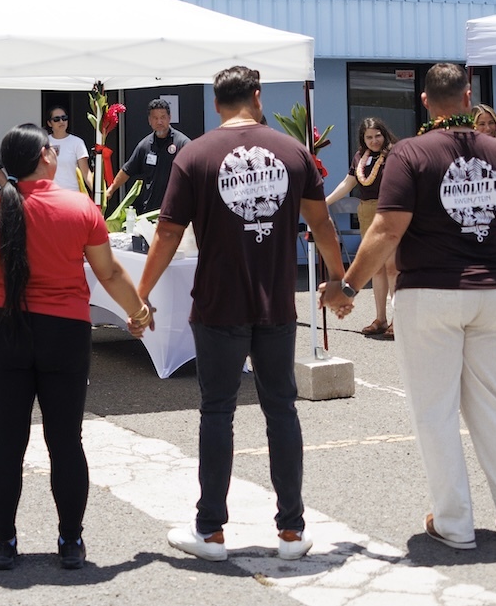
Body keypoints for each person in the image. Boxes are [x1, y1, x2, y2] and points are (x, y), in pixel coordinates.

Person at [138, 66, 353, 563]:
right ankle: (292, 532)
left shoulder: (194, 155)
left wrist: (140, 296)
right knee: (281, 410)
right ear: (257, 97)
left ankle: (210, 532)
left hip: (218, 304)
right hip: (275, 302)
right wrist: (338, 280)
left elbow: (167, 233)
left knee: (217, 411)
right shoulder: (293, 152)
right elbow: (321, 224)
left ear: (216, 104)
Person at [340, 63, 496, 551]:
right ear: (467, 98)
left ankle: (455, 522)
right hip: (495, 291)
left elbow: (387, 230)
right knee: (490, 403)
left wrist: (348, 287)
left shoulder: (410, 152)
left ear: (424, 102)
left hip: (431, 293)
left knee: (435, 410)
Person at [0, 123, 150, 571]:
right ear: (44, 157)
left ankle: (3, 540)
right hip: (65, 331)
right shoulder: (80, 207)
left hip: (4, 329)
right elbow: (110, 273)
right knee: (66, 440)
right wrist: (138, 312)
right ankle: (71, 540)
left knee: (7, 441)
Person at [325, 119, 397, 337]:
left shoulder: (394, 154)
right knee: (376, 268)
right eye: (369, 137)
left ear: (384, 134)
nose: (374, 141)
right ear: (362, 139)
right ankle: (380, 319)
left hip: (389, 211)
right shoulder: (359, 157)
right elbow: (348, 183)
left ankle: (398, 319)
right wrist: (324, 202)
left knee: (392, 267)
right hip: (366, 212)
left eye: (377, 135)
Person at [112, 98, 192, 214]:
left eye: (163, 117)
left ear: (169, 118)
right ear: (149, 120)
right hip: (150, 211)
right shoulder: (145, 145)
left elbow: (195, 170)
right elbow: (127, 170)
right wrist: (111, 190)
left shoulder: (182, 143)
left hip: (176, 210)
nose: (159, 122)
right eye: (155, 118)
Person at [43, 105, 91, 193]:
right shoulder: (44, 142)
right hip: (50, 194)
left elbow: (86, 173)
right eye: (56, 119)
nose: (61, 121)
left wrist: (99, 195)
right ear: (49, 123)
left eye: (64, 118)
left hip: (72, 193)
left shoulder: (77, 142)